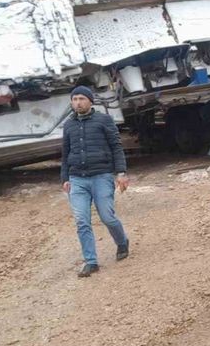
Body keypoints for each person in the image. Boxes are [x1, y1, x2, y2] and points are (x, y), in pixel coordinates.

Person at [61, 86, 130, 277]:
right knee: (82, 221)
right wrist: (65, 178)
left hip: (101, 176)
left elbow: (116, 147)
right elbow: (65, 153)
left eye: (82, 98)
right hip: (77, 180)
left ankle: (122, 242)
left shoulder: (104, 120)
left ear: (91, 101)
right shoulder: (69, 125)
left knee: (107, 217)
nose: (78, 102)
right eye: (74, 99)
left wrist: (121, 173)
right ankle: (91, 262)